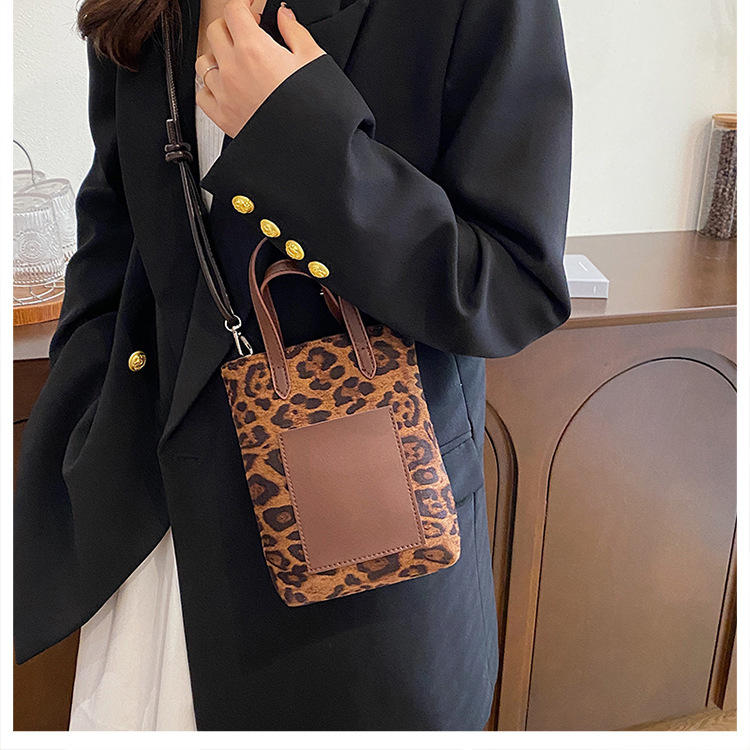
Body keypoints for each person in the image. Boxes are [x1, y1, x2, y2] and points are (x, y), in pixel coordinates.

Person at [14, 0, 573, 731]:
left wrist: (296, 135)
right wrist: (80, 412)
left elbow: (512, 287)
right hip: (150, 535)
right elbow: (114, 228)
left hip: (357, 560)